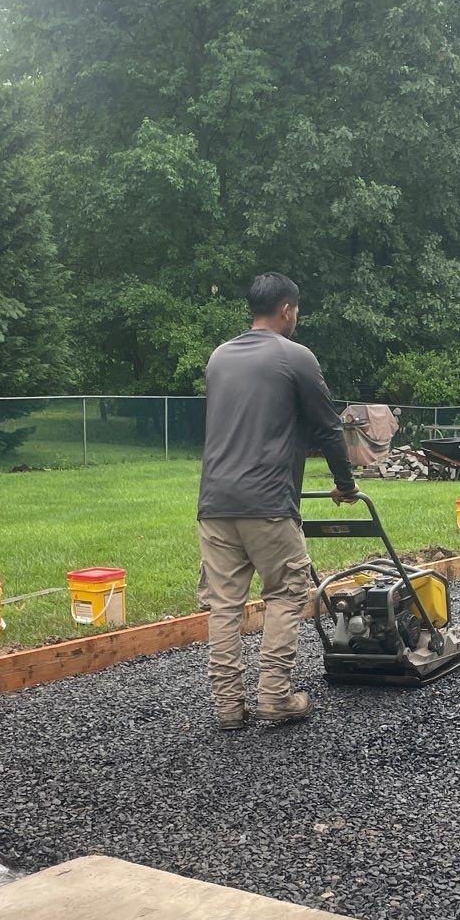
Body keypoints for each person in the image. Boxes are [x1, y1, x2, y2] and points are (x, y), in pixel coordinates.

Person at [196, 273, 360, 730]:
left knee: (225, 606)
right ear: (287, 309)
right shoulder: (296, 357)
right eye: (297, 311)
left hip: (214, 503)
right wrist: (345, 485)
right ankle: (274, 697)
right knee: (287, 593)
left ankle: (229, 709)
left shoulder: (219, 358)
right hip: (268, 502)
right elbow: (328, 427)